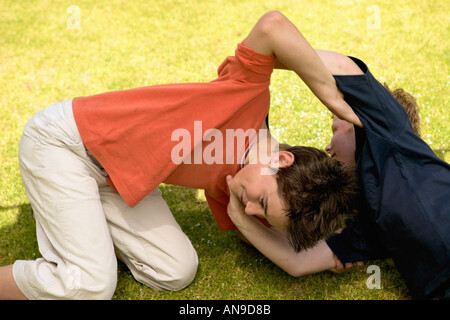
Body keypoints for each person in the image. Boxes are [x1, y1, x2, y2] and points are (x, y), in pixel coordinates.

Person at [0, 11, 360, 299]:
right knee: (90, 287)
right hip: (66, 145)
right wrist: (335, 100)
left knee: (176, 271)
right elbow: (273, 25)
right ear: (281, 160)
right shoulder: (247, 97)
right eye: (261, 203)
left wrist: (332, 251)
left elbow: (275, 247)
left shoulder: (242, 185)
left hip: (116, 180)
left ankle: (85, 227)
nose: (251, 208)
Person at [226, 12, 450, 300]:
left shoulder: (392, 139)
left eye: (334, 127)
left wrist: (257, 68)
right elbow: (297, 262)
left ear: (355, 121)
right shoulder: (367, 222)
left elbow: (285, 38)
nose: (328, 148)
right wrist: (240, 217)